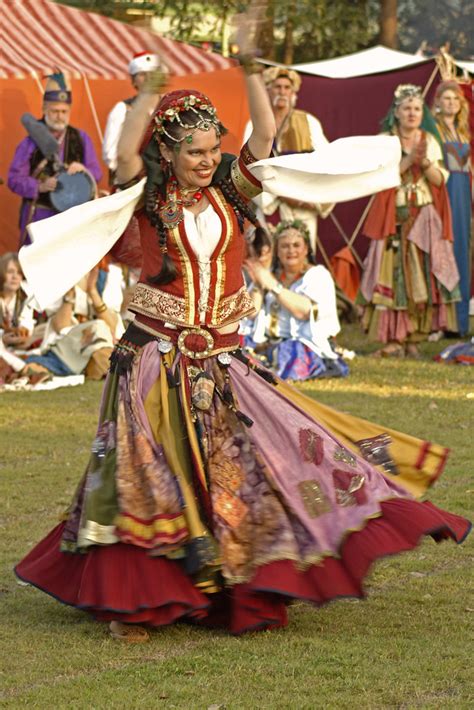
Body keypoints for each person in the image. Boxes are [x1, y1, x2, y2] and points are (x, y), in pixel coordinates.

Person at [15, 18, 470, 640]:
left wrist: (252, 68)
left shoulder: (230, 190)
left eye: (211, 150)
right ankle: (136, 601)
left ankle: (225, 590)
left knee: (239, 473)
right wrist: (148, 89)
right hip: (154, 360)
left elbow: (266, 134)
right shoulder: (148, 200)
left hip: (222, 359)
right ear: (168, 153)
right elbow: (123, 159)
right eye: (193, 152)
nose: (206, 161)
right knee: (151, 480)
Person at [359, 84, 461, 358]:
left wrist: (425, 163)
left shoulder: (430, 139)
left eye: (417, 108)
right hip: (393, 216)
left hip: (423, 217)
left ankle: (414, 336)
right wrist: (407, 162)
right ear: (397, 112)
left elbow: (441, 180)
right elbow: (378, 179)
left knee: (422, 276)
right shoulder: (385, 140)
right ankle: (393, 339)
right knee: (392, 273)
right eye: (407, 108)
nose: (413, 113)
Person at [7, 72, 102, 247]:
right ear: (44, 109)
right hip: (39, 218)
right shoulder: (29, 142)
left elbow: (96, 173)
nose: (60, 116)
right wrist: (39, 186)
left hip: (73, 219)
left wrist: (83, 169)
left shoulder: (81, 138)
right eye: (55, 111)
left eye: (64, 111)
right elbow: (13, 179)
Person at [244, 220, 348, 379]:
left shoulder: (318, 275)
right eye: (284, 246)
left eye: (296, 245)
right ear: (277, 251)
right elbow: (251, 312)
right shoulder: (272, 274)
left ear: (306, 249)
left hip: (303, 343)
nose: (291, 250)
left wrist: (273, 285)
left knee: (290, 352)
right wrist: (259, 281)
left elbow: (305, 311)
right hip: (267, 341)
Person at [244, 66, 332, 250]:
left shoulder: (308, 122)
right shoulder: (254, 124)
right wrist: (280, 193)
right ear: (267, 90)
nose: (282, 91)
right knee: (268, 253)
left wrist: (306, 196)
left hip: (302, 204)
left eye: (286, 87)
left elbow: (327, 161)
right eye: (277, 87)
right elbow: (249, 165)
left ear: (293, 92)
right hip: (270, 204)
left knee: (301, 255)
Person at [433, 80, 472, 337]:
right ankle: (439, 321)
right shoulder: (433, 129)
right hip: (443, 192)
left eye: (455, 99)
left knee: (461, 252)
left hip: (463, 193)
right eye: (447, 98)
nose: (451, 103)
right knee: (441, 251)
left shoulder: (463, 132)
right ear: (438, 102)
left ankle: (458, 322)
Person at [102, 52, 163, 185]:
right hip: (132, 182)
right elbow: (110, 153)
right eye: (142, 74)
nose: (148, 79)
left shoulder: (170, 105)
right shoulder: (122, 109)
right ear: (134, 81)